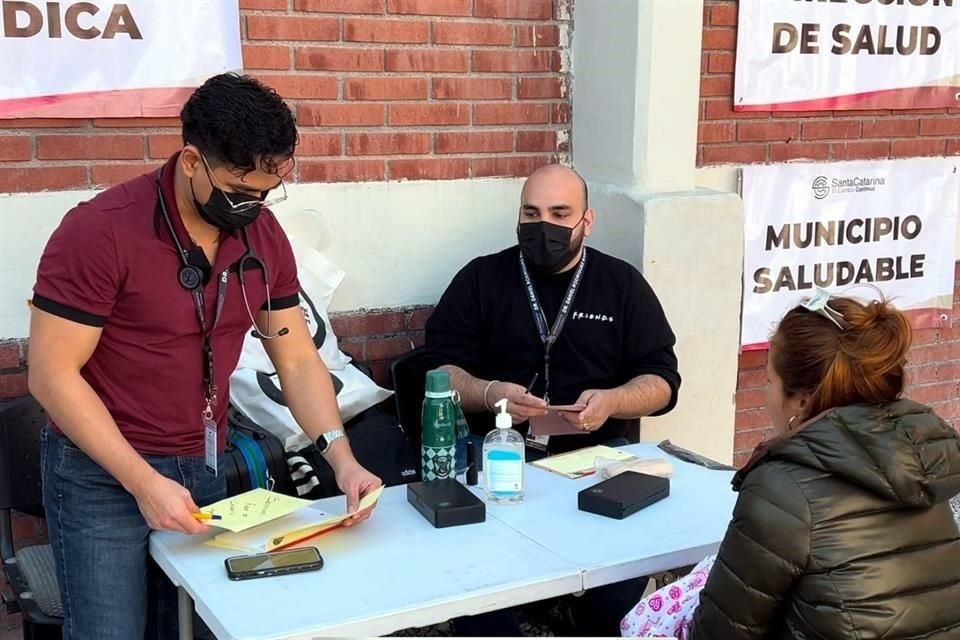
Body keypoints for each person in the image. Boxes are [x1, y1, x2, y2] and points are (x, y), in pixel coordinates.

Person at [28, 74, 381, 640]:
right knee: (109, 632)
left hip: (205, 462)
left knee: (193, 626)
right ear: (191, 160)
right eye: (242, 191)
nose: (256, 206)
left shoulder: (262, 235)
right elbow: (51, 375)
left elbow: (294, 359)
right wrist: (143, 482)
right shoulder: (99, 231)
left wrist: (341, 457)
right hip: (100, 474)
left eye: (269, 191)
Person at [424, 163, 681, 636]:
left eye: (560, 213)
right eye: (532, 212)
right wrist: (489, 393)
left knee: (625, 579)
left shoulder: (621, 284)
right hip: (497, 454)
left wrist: (612, 401)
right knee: (480, 601)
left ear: (587, 220)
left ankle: (589, 617)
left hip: (599, 458)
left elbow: (663, 382)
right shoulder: (482, 279)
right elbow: (439, 372)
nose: (545, 226)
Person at [688, 294, 960, 640]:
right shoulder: (925, 459)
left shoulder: (783, 487)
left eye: (769, 381)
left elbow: (720, 633)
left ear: (801, 401)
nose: (766, 393)